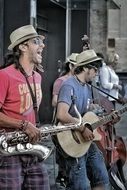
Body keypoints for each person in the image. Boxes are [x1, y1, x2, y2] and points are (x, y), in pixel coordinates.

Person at [0, 25, 50, 190]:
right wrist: (23, 125)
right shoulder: (4, 75)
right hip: (9, 150)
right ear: (22, 47)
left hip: (31, 147)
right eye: (36, 42)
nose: (42, 46)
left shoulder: (38, 77)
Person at [56, 49, 112, 190]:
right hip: (71, 141)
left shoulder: (87, 87)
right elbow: (61, 114)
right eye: (95, 70)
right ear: (86, 68)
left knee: (102, 178)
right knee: (79, 186)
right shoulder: (69, 85)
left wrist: (108, 118)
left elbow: (86, 116)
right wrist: (81, 128)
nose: (96, 73)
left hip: (85, 141)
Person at [52, 53, 78, 186]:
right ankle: (62, 178)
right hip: (63, 123)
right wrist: (66, 100)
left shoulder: (79, 82)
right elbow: (54, 102)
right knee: (64, 155)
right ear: (71, 65)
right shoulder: (61, 81)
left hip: (75, 122)